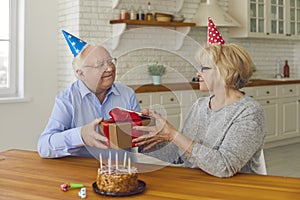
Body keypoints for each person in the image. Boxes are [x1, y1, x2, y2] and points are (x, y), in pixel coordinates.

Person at [132, 18, 266, 178]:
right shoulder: (200, 105)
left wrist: (173, 134)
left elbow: (224, 167)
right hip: (195, 183)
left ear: (226, 72)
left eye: (204, 68)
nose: (198, 73)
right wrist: (141, 132)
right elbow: (181, 154)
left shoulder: (249, 112)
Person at [38, 30, 140, 158]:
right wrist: (80, 136)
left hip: (122, 172)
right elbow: (44, 147)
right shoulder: (67, 99)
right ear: (81, 73)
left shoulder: (127, 94)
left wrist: (148, 128)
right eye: (100, 64)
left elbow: (138, 137)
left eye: (110, 61)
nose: (110, 68)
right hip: (82, 174)